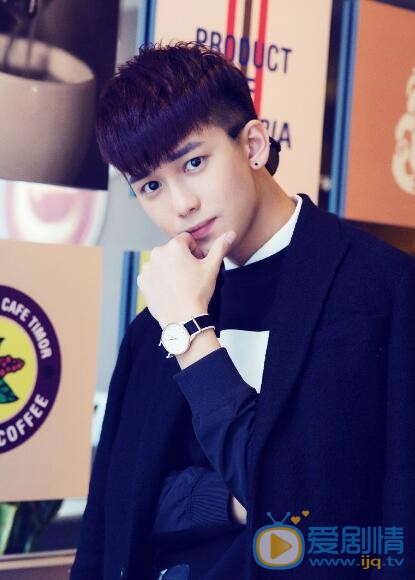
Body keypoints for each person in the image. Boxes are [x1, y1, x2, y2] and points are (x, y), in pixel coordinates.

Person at [70, 42, 415, 580]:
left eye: (194, 163)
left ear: (252, 144)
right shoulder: (154, 323)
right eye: (151, 186)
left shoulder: (382, 291)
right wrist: (224, 500)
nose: (181, 204)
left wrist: (193, 336)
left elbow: (316, 512)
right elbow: (115, 516)